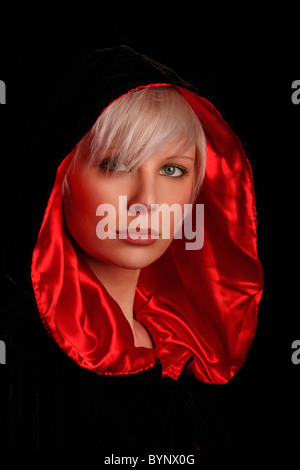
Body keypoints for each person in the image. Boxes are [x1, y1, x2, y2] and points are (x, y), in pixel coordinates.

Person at [0, 45, 263, 450]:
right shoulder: (18, 362)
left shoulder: (182, 351)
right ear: (63, 176)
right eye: (115, 165)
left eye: (172, 170)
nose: (146, 202)